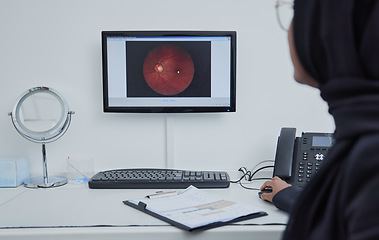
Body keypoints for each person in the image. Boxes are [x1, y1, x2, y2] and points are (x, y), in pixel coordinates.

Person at [259, 0, 379, 239]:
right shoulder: (362, 136)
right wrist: (288, 194)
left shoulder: (371, 155)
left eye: (296, 12)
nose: (291, 28)